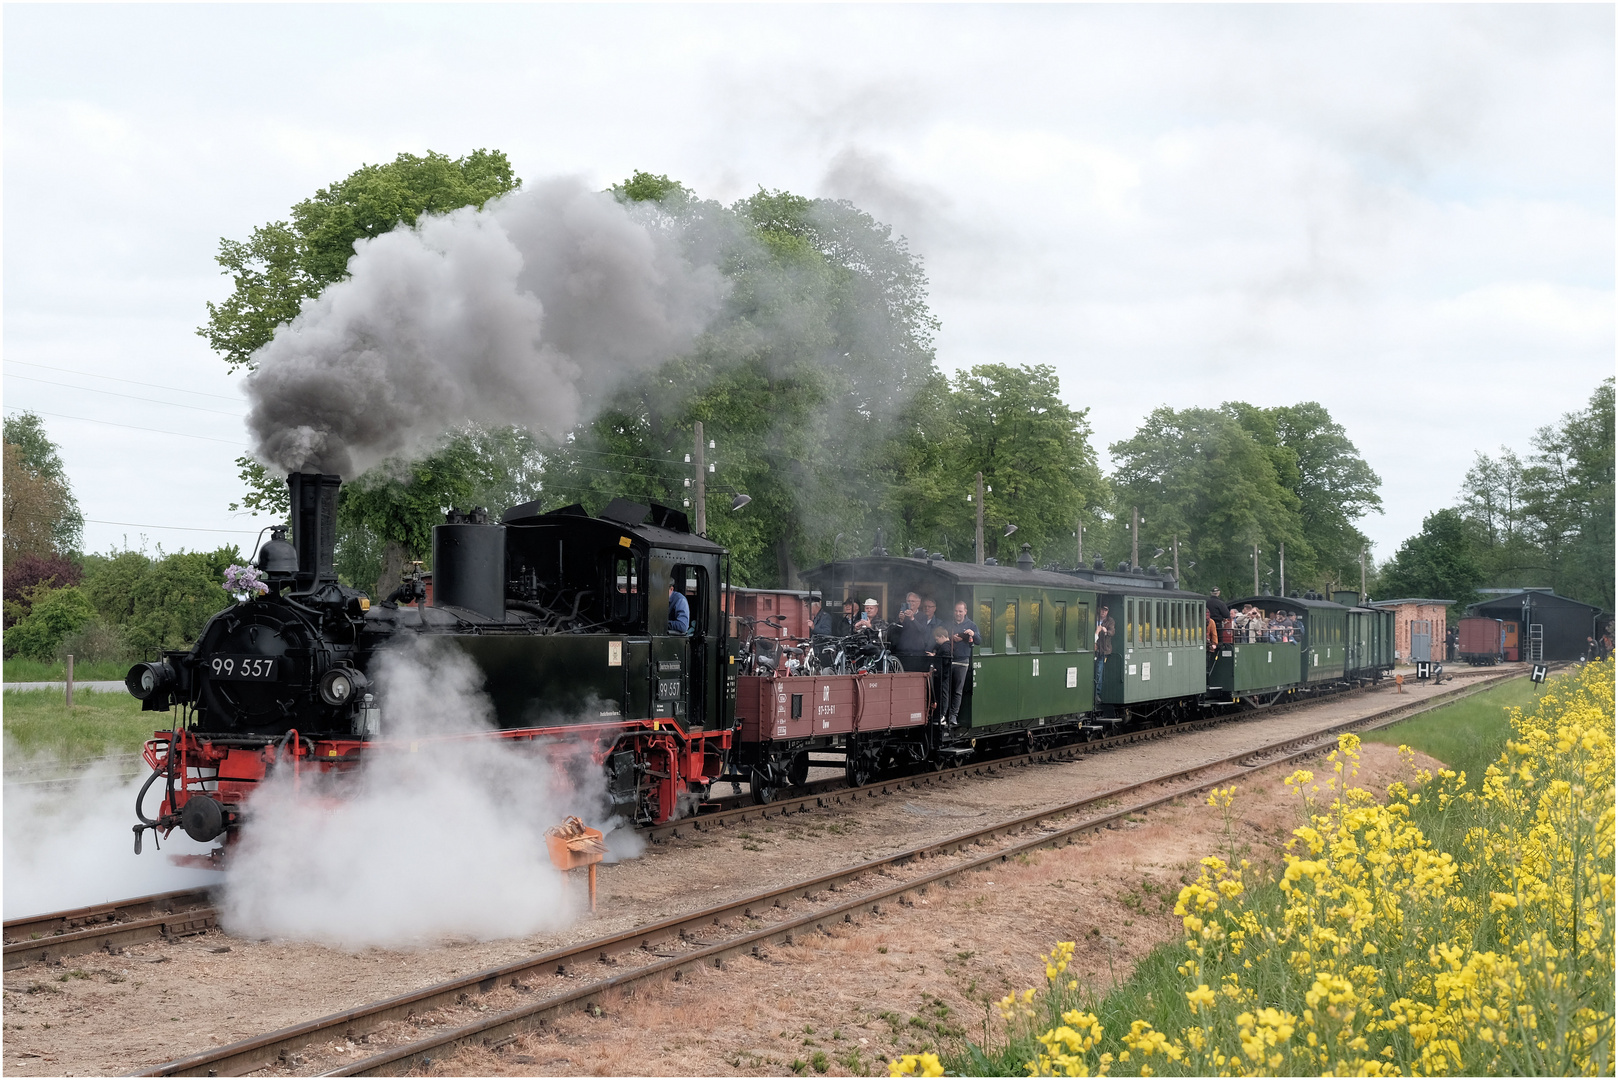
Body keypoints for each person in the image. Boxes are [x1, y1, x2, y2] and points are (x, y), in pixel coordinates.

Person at [944, 601, 979, 725]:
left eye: (960, 611)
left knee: (957, 691)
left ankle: (954, 716)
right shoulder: (949, 624)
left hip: (962, 661)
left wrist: (972, 634)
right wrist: (950, 638)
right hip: (949, 659)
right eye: (956, 611)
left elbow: (979, 640)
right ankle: (944, 715)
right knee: (946, 689)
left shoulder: (971, 625)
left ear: (965, 611)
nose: (957, 613)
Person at [894, 591, 935, 671]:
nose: (910, 603)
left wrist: (912, 618)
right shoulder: (901, 614)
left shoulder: (923, 616)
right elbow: (894, 632)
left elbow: (922, 630)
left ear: (918, 603)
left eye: (913, 601)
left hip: (917, 653)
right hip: (903, 652)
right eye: (908, 601)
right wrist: (900, 621)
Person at [1094, 604, 1115, 697]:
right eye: (1102, 610)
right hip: (1094, 648)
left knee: (1099, 671)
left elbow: (1112, 632)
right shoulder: (1094, 618)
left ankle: (1097, 693)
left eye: (1105, 610)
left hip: (1103, 650)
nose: (1103, 612)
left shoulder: (1110, 621)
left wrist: (1106, 631)